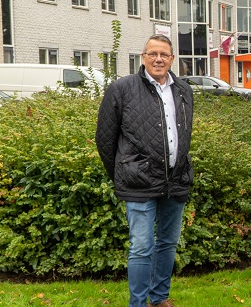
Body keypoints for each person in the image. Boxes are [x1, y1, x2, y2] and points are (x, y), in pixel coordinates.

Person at [96, 34, 194, 307]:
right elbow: (105, 138)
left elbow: (184, 133)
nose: (158, 59)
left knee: (167, 243)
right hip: (138, 181)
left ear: (172, 59)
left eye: (164, 54)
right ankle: (137, 304)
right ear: (143, 57)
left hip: (175, 180)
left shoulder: (184, 90)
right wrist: (123, 171)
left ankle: (159, 298)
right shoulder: (122, 88)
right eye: (153, 54)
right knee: (141, 247)